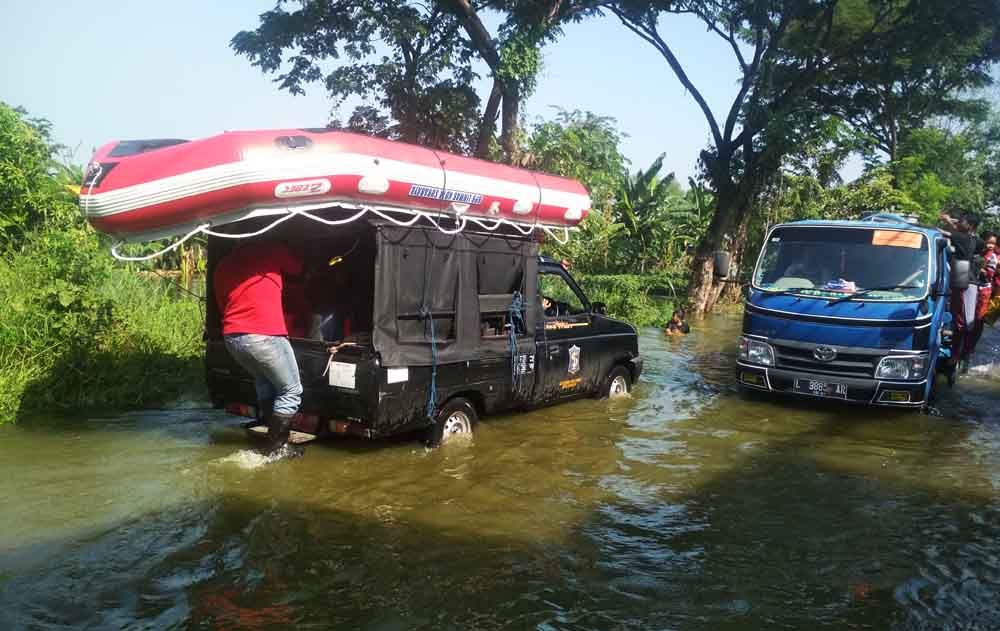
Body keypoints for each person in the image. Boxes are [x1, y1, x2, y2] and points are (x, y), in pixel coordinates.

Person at [214, 239, 305, 455]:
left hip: (233, 337)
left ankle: (269, 439)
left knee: (265, 382)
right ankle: (279, 447)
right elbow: (299, 269)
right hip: (265, 335)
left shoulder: (223, 265)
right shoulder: (272, 248)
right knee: (291, 390)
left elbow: (222, 304)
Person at [939, 211, 983, 370]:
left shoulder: (961, 237)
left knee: (961, 322)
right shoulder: (974, 239)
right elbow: (956, 229)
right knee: (961, 320)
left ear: (970, 225)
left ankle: (956, 355)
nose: (959, 222)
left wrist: (947, 221)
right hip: (966, 281)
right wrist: (951, 220)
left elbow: (943, 231)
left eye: (963, 221)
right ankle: (962, 354)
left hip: (965, 282)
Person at [966, 231, 998, 357]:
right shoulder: (977, 252)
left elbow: (989, 275)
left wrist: (981, 268)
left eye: (993, 243)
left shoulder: (992, 257)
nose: (991, 245)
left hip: (984, 290)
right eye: (989, 242)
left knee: (978, 320)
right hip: (970, 287)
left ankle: (970, 347)